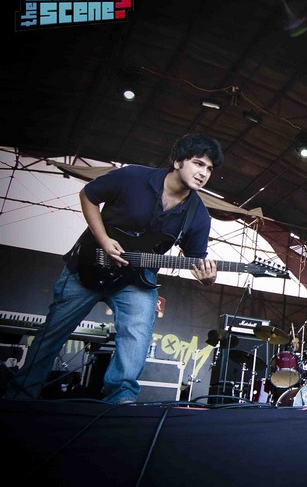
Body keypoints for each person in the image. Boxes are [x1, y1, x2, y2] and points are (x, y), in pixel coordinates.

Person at [4, 133, 224, 404]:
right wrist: (104, 240)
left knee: (137, 335)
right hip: (88, 265)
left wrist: (207, 279)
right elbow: (88, 195)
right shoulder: (133, 177)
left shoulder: (198, 215)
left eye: (209, 169)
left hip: (136, 280)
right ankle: (19, 397)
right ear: (178, 161)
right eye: (198, 164)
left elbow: (196, 260)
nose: (203, 173)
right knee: (53, 334)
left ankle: (119, 401)